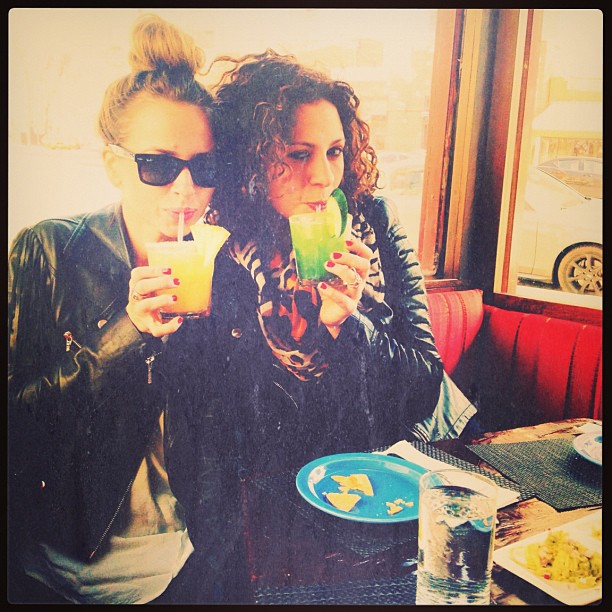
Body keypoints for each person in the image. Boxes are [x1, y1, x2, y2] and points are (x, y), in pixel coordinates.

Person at [7, 14, 227, 604]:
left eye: (203, 166)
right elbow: (17, 424)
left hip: (181, 563)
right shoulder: (48, 251)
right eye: (157, 165)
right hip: (54, 566)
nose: (185, 189)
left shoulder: (220, 264)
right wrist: (127, 334)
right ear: (113, 166)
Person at [173, 49, 446, 483]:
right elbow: (216, 415)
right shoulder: (220, 249)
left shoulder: (374, 222)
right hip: (288, 482)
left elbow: (425, 389)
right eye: (299, 154)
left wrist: (348, 324)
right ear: (252, 160)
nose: (324, 176)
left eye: (334, 152)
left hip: (390, 463)